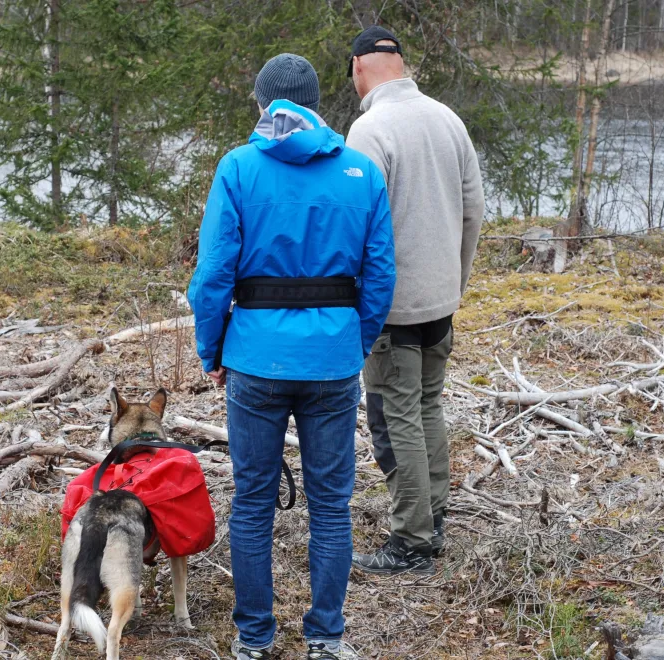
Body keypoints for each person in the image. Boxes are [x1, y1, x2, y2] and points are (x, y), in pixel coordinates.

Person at [188, 53, 396, 660]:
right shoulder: (360, 171)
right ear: (315, 101)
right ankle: (325, 640)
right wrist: (352, 342)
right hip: (332, 361)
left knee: (252, 500)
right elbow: (380, 276)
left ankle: (254, 641)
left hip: (254, 359)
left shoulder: (238, 169)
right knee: (331, 504)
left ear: (263, 104)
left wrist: (211, 347)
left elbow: (212, 276)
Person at [345, 26, 485, 575]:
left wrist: (357, 302)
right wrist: (455, 280)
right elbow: (474, 210)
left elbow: (357, 228)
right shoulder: (447, 119)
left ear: (358, 69)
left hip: (392, 306)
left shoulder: (370, 129)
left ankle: (412, 539)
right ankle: (434, 515)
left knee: (395, 414)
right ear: (400, 64)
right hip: (440, 300)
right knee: (427, 406)